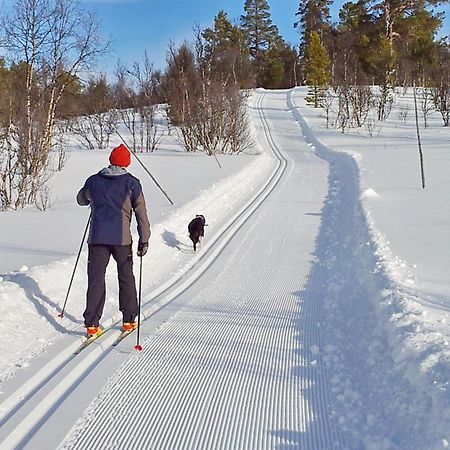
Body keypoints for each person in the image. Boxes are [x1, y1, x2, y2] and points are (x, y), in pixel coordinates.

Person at [77, 143, 151, 337]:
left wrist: (94, 196)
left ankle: (92, 324)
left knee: (96, 279)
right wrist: (144, 239)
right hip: (122, 240)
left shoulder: (93, 181)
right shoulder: (132, 183)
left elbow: (81, 200)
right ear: (126, 163)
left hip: (97, 239)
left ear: (110, 160)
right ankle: (128, 321)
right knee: (126, 277)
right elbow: (141, 212)